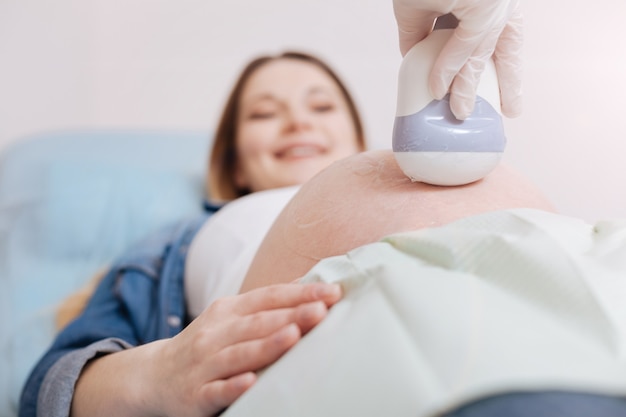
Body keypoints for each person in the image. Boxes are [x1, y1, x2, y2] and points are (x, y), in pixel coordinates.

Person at [19, 50, 366, 417]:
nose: (298, 121)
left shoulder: (420, 190)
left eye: (322, 107)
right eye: (264, 113)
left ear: (360, 142)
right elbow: (48, 386)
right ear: (236, 167)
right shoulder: (173, 245)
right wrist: (159, 371)